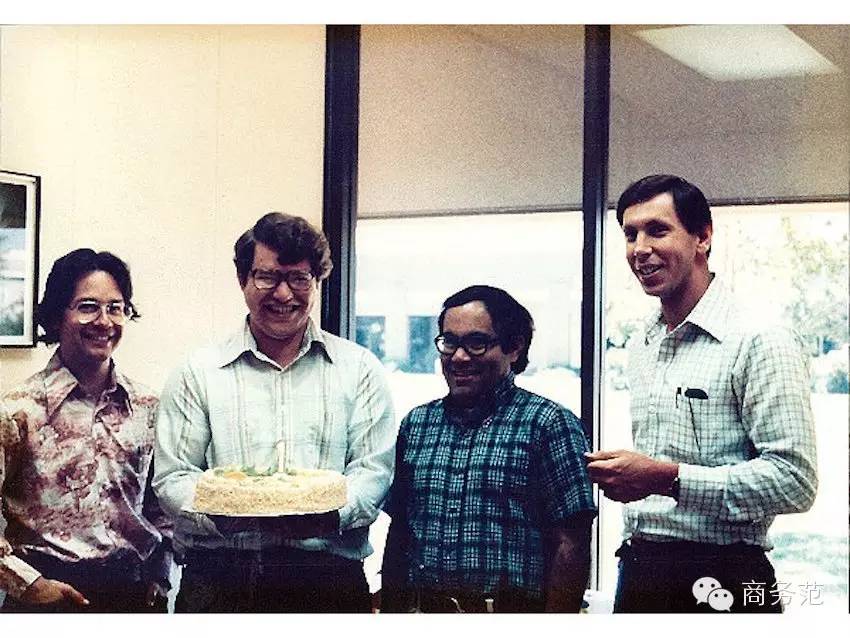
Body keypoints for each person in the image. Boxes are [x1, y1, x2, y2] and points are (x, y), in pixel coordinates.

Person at [586, 174, 818, 613]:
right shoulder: (643, 342)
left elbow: (795, 482)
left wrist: (663, 478)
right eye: (630, 235)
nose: (639, 249)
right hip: (639, 569)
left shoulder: (759, 338)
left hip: (725, 576)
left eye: (658, 230)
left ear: (703, 237)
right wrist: (630, 477)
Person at [153, 212, 396, 613]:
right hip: (220, 582)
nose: (283, 294)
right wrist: (225, 511)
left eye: (299, 278)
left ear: (317, 281)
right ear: (243, 279)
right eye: (267, 277)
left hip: (328, 581)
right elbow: (173, 476)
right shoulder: (198, 371)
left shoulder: (360, 369)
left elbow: (374, 473)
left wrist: (326, 516)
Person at [381, 285, 596, 613]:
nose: (459, 357)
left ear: (514, 347)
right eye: (449, 342)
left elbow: (573, 543)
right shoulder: (417, 424)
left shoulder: (549, 424)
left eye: (477, 343)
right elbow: (400, 532)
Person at [0, 249, 172, 613]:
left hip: (132, 599)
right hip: (47, 598)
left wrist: (160, 575)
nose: (104, 321)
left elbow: (161, 506)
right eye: (88, 307)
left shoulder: (147, 406)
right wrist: (28, 584)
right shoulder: (18, 411)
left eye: (116, 308)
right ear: (56, 315)